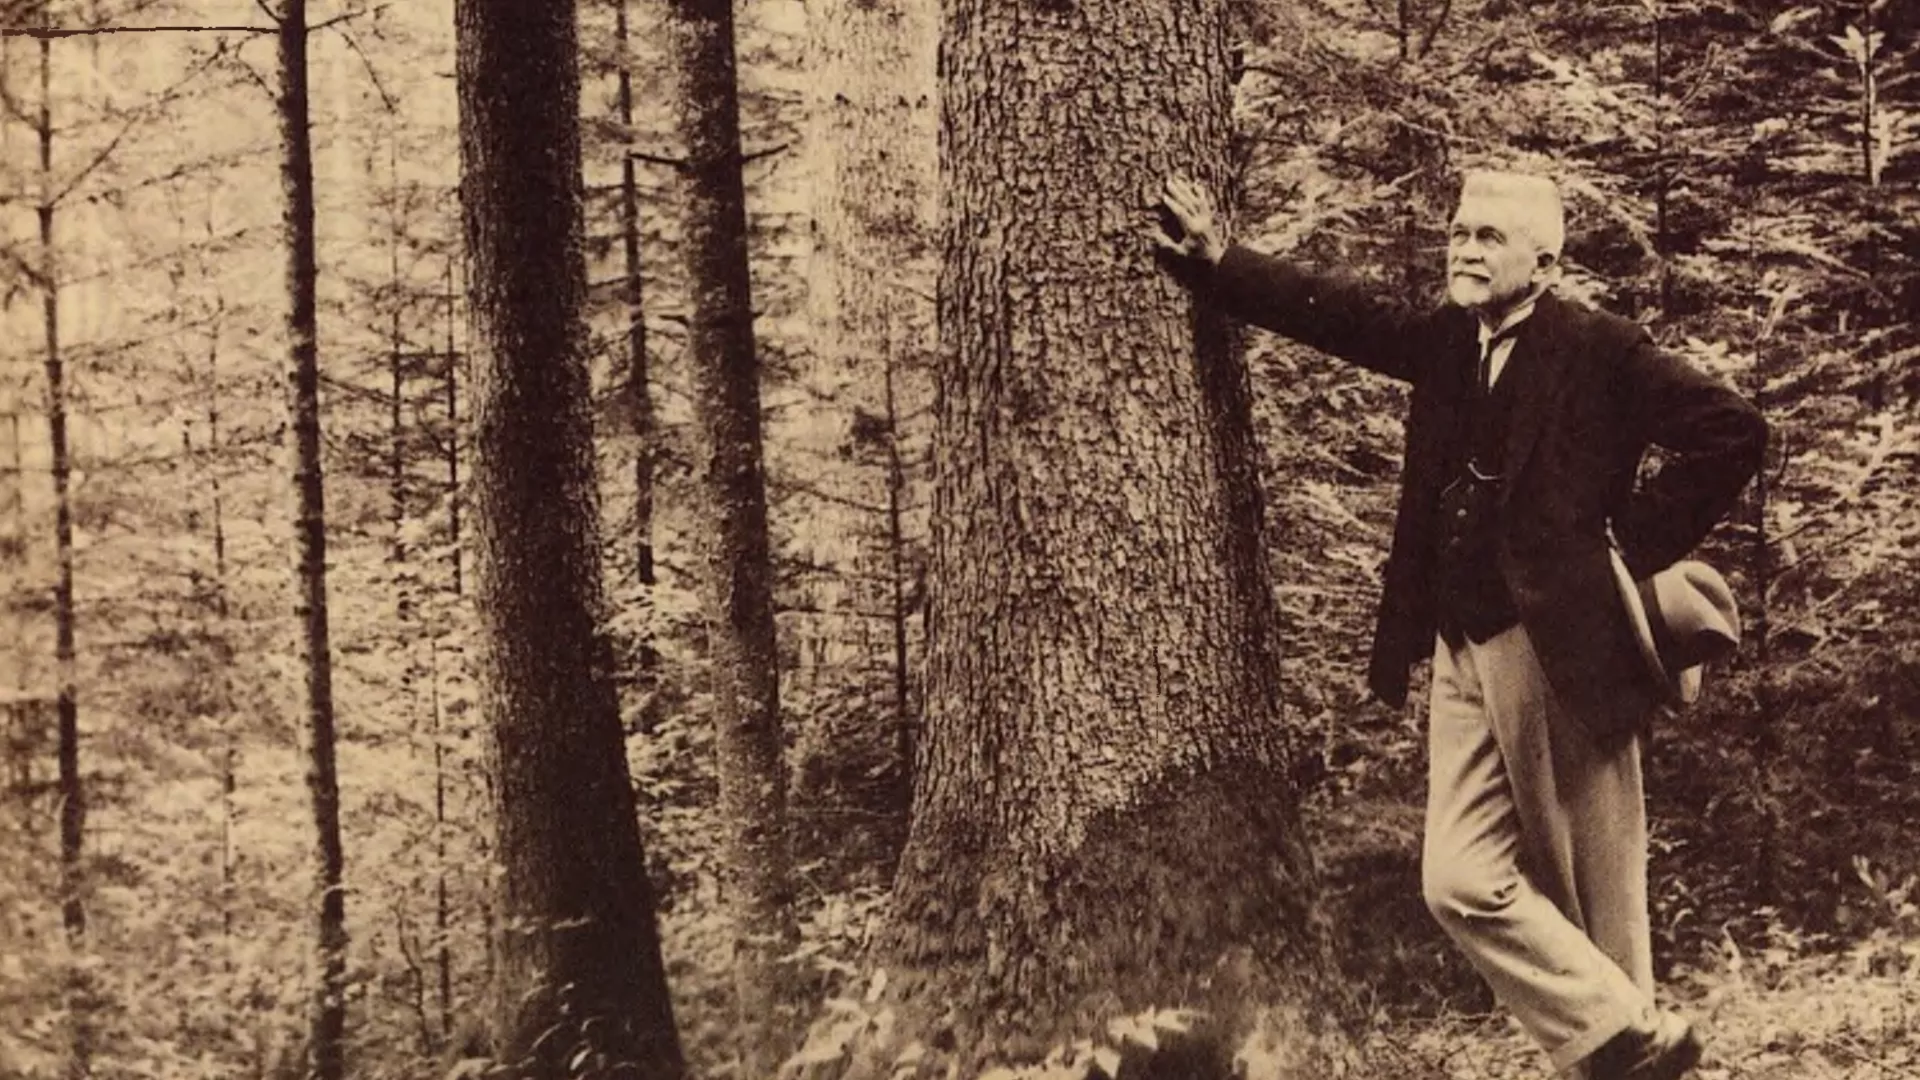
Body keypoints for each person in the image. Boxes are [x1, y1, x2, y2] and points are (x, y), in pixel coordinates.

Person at [1152, 170, 1766, 1080]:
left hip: (1561, 647)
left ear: (1545, 263)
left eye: (1489, 237)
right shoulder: (1452, 339)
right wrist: (1220, 265)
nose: (1466, 251)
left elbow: (1733, 429)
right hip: (1460, 647)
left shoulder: (1602, 349)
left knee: (1594, 883)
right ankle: (1626, 1037)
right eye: (1458, 233)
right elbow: (1346, 317)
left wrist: (1617, 551)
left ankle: (1631, 1051)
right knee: (1459, 880)